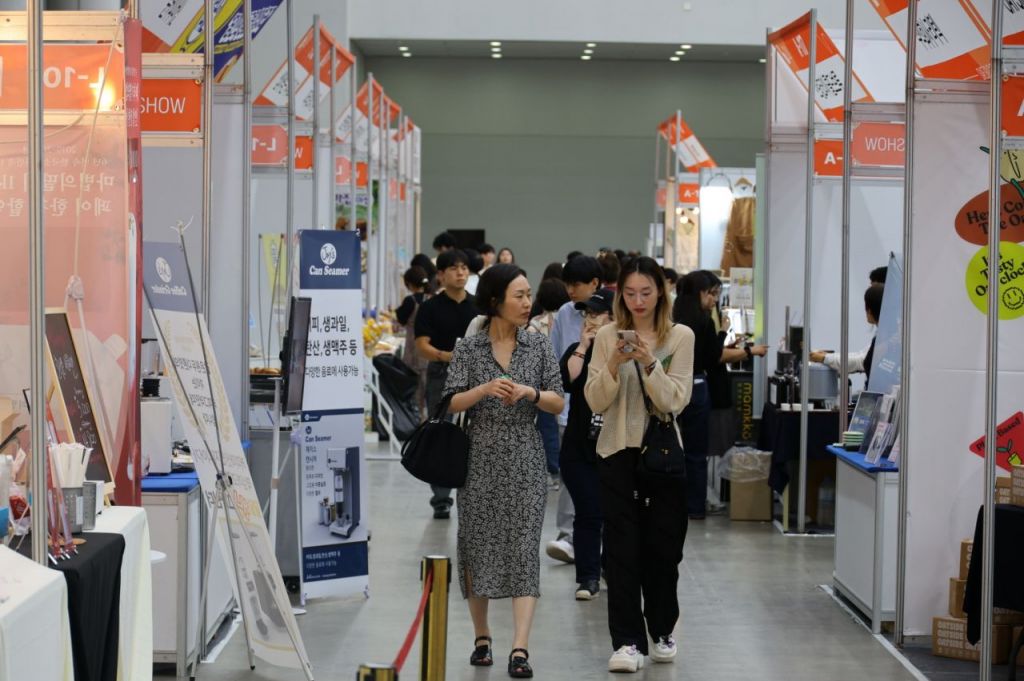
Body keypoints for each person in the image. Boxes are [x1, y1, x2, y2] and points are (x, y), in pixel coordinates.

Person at [444, 264, 565, 680]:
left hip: (525, 456)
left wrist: (531, 393)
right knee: (476, 546)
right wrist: (482, 390)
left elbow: (558, 401)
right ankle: (482, 637)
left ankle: (520, 647)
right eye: (519, 295)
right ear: (495, 300)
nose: (528, 302)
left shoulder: (538, 345)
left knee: (524, 548)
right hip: (478, 458)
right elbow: (450, 402)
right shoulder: (469, 349)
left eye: (529, 294)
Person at [584, 256, 694, 673]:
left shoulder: (680, 336)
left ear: (661, 292)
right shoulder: (607, 335)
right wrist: (614, 362)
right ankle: (627, 641)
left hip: (662, 455)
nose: (638, 301)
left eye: (646, 292)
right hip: (616, 451)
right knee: (620, 551)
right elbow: (595, 400)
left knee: (663, 550)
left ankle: (662, 629)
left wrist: (649, 362)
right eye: (629, 293)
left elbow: (674, 400)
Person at [546, 255, 605, 564]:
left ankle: (598, 539)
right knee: (571, 475)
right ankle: (567, 536)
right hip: (571, 409)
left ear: (595, 283)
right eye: (567, 284)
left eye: (576, 285)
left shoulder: (613, 310)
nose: (570, 291)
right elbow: (556, 359)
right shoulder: (565, 313)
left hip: (607, 412)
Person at [414, 249, 479, 519]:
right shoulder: (430, 307)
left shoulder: (477, 306)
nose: (460, 272)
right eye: (453, 268)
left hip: (476, 374)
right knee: (441, 432)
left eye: (464, 267)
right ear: (440, 275)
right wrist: (446, 356)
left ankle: (473, 490)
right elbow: (421, 345)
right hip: (441, 372)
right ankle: (441, 498)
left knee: (475, 431)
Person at [559, 288, 615, 601]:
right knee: (588, 512)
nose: (590, 319)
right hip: (579, 447)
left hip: (614, 446)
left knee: (614, 515)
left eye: (597, 313)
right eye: (588, 314)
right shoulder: (577, 350)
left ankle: (609, 567)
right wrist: (583, 345)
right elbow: (567, 380)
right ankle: (587, 577)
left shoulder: (624, 351)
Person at [672, 272, 721, 520]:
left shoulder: (672, 319)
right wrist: (722, 334)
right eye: (711, 293)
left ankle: (669, 502)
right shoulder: (704, 322)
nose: (714, 300)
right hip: (697, 384)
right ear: (700, 292)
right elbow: (714, 358)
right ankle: (695, 507)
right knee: (696, 452)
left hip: (670, 384)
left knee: (669, 445)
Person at [529, 278, 571, 486]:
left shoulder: (536, 324)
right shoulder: (571, 318)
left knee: (548, 429)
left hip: (544, 386)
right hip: (568, 380)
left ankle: (553, 470)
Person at [810, 283, 884, 383]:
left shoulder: (885, 338)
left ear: (869, 310)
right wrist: (827, 356)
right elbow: (860, 354)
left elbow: (861, 361)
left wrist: (824, 358)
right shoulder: (883, 334)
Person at [396, 266, 431, 417]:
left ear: (409, 284)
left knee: (414, 388)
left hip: (413, 349)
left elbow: (401, 319)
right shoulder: (433, 299)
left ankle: (416, 418)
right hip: (431, 349)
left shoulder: (410, 301)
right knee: (429, 388)